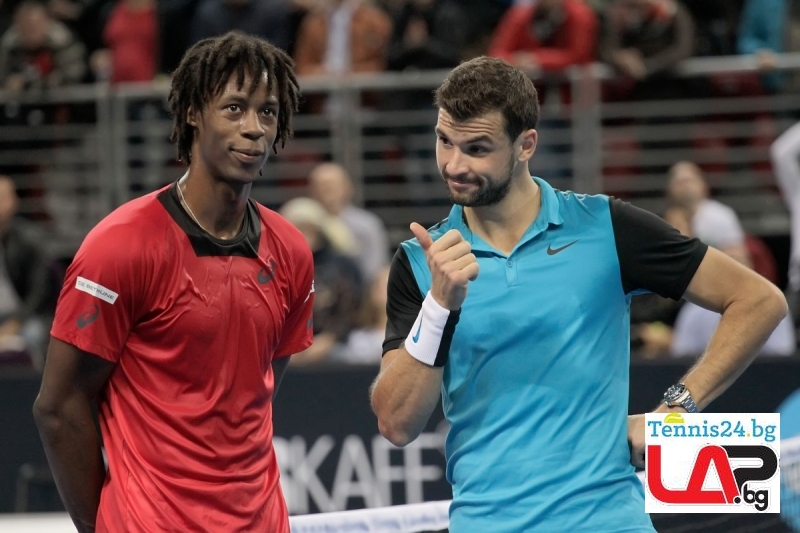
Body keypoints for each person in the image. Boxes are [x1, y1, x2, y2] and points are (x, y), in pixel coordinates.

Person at [369, 56, 788, 532]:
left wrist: (675, 412)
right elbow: (396, 424)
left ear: (526, 145)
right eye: (444, 141)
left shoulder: (605, 226)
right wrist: (439, 306)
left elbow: (760, 300)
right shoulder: (421, 261)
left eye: (477, 148)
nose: (454, 164)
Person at [32, 32, 313, 533]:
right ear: (192, 114)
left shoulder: (291, 250)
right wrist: (103, 525)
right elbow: (58, 408)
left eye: (267, 112)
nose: (254, 128)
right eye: (234, 108)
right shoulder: (121, 245)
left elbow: (256, 390)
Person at [280, 196, 362, 366]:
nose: (302, 234)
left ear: (318, 229)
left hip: (336, 344)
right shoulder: (276, 267)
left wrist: (330, 339)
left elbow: (352, 307)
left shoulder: (342, 265)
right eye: (295, 228)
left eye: (307, 227)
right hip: (286, 346)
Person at [0, 175, 52, 366]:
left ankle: (36, 380)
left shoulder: (29, 241)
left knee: (33, 334)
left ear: (13, 203)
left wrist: (16, 322)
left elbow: (39, 293)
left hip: (25, 317)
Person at [308, 162, 389, 282]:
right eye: (321, 186)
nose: (327, 190)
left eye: (332, 185)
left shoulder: (367, 225)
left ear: (347, 188)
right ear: (312, 190)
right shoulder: (304, 224)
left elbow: (376, 269)